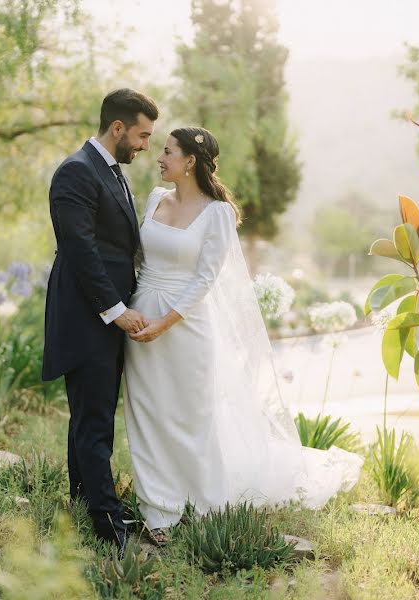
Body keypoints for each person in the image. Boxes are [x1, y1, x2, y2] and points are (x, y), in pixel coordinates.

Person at [123, 127, 363, 544]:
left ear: (190, 162)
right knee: (146, 412)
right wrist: (132, 312)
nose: (159, 158)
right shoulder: (154, 200)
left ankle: (199, 503)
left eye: (167, 152)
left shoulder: (217, 213)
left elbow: (204, 279)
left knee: (190, 414)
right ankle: (157, 509)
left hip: (184, 325)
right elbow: (137, 257)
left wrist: (164, 324)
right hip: (141, 316)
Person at [42, 88, 159, 549]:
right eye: (142, 135)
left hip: (103, 316)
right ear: (118, 128)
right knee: (94, 422)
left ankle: (80, 503)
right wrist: (117, 312)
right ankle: (110, 526)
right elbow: (81, 250)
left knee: (88, 417)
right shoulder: (75, 172)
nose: (146, 144)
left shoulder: (111, 171)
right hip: (89, 315)